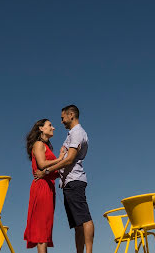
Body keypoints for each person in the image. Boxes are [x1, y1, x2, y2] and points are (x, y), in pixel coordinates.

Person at [34, 105, 94, 253]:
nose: (60, 122)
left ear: (71, 115)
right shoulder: (71, 134)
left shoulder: (77, 133)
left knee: (84, 218)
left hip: (74, 180)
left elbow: (69, 160)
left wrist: (46, 171)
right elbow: (63, 159)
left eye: (62, 118)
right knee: (77, 223)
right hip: (68, 182)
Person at [24, 119, 65, 253]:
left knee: (45, 227)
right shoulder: (38, 144)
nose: (53, 128)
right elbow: (41, 164)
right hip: (41, 187)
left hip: (48, 187)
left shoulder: (46, 146)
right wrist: (60, 159)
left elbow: (51, 170)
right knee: (41, 229)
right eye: (50, 126)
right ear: (41, 128)